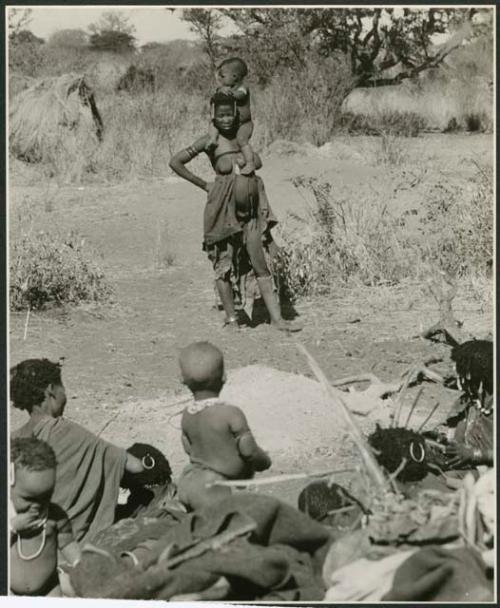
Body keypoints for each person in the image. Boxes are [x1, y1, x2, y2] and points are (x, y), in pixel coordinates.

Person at [169, 91, 301, 332]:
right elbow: (175, 162)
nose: (227, 119)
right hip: (221, 210)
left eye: (230, 114)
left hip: (250, 213)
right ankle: (232, 320)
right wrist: (204, 185)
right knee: (224, 264)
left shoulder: (243, 141)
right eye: (221, 115)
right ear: (213, 116)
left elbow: (258, 162)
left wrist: (247, 155)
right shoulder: (209, 142)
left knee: (259, 261)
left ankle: (277, 319)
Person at [10, 358, 145, 543]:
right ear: (51, 389)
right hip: (68, 542)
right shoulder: (64, 431)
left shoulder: (12, 439)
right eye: (62, 387)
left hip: (25, 544)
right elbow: (136, 466)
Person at [177, 341, 271, 511]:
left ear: (183, 381)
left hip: (190, 481)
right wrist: (264, 461)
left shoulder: (187, 415)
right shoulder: (230, 414)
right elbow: (248, 450)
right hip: (217, 487)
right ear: (224, 377)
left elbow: (188, 448)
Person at [10, 437, 81, 596]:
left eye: (46, 496)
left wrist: (79, 563)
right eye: (29, 499)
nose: (38, 505)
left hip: (49, 588)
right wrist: (12, 527)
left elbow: (67, 542)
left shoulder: (55, 516)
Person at [206, 57, 255, 175]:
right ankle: (213, 139)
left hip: (244, 124)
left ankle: (250, 163)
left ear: (234, 77)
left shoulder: (243, 88)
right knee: (213, 123)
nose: (220, 79)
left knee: (242, 140)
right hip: (232, 123)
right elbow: (216, 99)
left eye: (223, 76)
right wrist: (220, 91)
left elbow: (240, 95)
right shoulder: (227, 88)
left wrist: (230, 93)